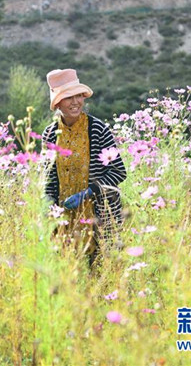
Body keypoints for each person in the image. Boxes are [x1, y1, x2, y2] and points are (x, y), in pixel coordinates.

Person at [41, 69, 127, 263]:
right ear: (58, 103)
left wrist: (89, 193)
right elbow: (48, 178)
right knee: (69, 271)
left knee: (102, 269)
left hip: (101, 216)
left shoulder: (97, 129)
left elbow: (118, 171)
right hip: (64, 219)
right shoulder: (50, 134)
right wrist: (48, 205)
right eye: (68, 97)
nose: (75, 102)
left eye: (78, 96)